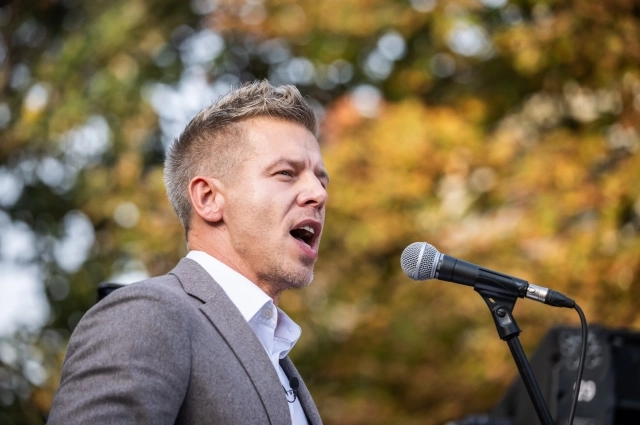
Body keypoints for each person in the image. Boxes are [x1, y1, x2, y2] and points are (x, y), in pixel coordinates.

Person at [48, 81, 328, 425]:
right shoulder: (147, 314)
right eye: (286, 173)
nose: (318, 194)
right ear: (209, 199)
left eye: (321, 180)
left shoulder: (276, 356)